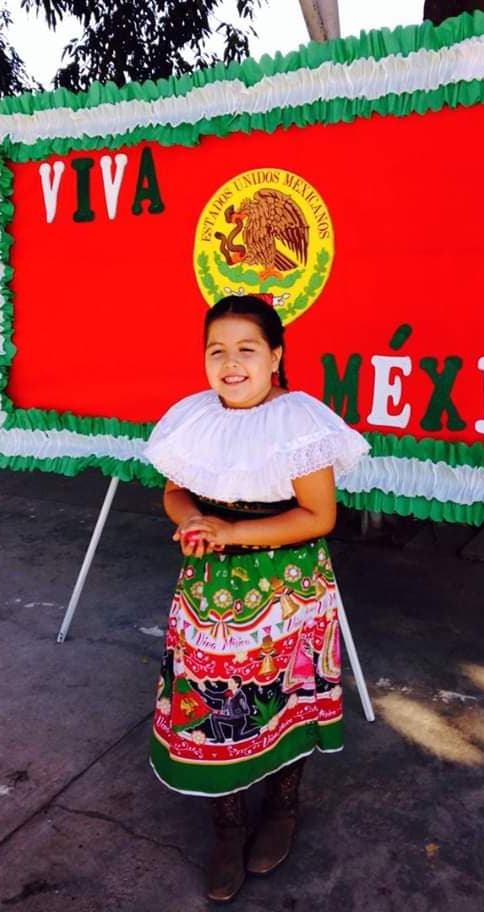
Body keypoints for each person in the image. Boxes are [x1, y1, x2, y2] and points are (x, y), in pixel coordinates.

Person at [144, 295, 369, 903]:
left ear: (275, 356)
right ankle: (226, 825)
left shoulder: (299, 420)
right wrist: (192, 518)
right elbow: (173, 491)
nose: (231, 363)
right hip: (207, 585)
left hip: (286, 584)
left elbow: (318, 516)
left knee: (282, 698)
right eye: (217, 350)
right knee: (214, 702)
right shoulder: (193, 415)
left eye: (247, 349)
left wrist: (232, 532)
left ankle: (283, 808)